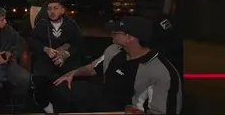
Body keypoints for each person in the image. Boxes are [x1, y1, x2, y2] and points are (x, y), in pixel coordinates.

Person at [50, 17, 180, 115]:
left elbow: (164, 111)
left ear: (129, 37)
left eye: (117, 31)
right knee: (61, 87)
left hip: (125, 109)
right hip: (103, 96)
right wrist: (72, 73)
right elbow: (93, 68)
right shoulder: (114, 50)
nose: (112, 33)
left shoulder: (161, 72)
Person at [28, 0, 82, 112]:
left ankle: (68, 106)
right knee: (40, 77)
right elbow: (32, 41)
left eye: (55, 8)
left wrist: (65, 54)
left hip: (66, 59)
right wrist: (45, 49)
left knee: (70, 77)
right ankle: (45, 104)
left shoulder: (71, 25)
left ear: (62, 10)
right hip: (46, 58)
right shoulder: (41, 25)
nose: (52, 12)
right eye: (49, 9)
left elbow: (77, 44)